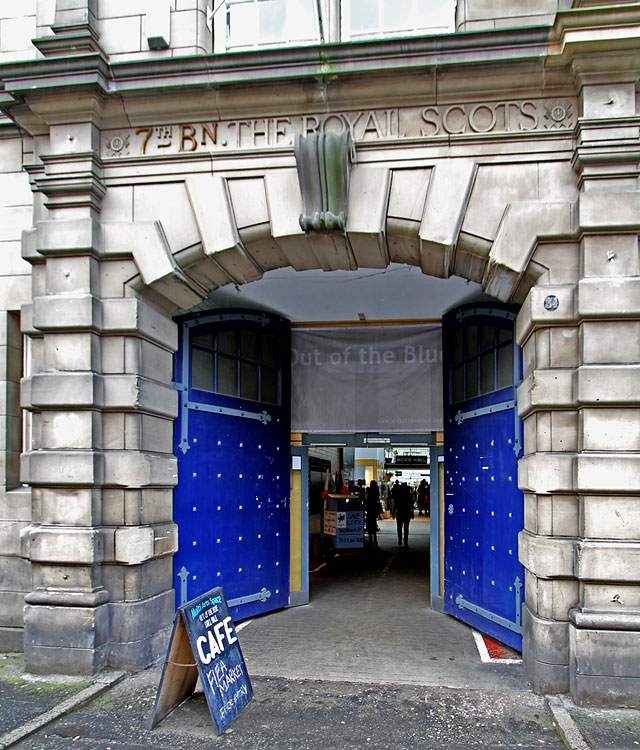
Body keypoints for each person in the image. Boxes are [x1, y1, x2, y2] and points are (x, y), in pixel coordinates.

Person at [394, 482, 414, 548]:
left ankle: (401, 540)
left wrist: (394, 512)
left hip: (400, 512)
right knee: (405, 527)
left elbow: (395, 504)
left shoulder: (398, 495)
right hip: (406, 512)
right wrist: (412, 513)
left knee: (400, 527)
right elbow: (411, 505)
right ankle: (405, 541)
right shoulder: (409, 495)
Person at [365, 480, 380, 547]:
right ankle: (375, 540)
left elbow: (367, 500)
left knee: (370, 526)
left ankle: (371, 540)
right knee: (373, 526)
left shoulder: (371, 492)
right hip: (374, 510)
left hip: (370, 510)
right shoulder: (376, 491)